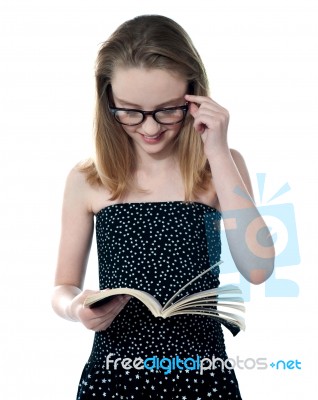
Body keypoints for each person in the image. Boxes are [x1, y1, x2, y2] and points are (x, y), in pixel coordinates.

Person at [52, 14, 275, 399]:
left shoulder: (220, 167)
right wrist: (77, 307)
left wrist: (218, 151)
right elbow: (62, 286)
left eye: (167, 110)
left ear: (194, 96)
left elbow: (258, 269)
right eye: (131, 111)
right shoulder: (88, 179)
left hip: (202, 376)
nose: (151, 128)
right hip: (114, 375)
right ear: (108, 100)